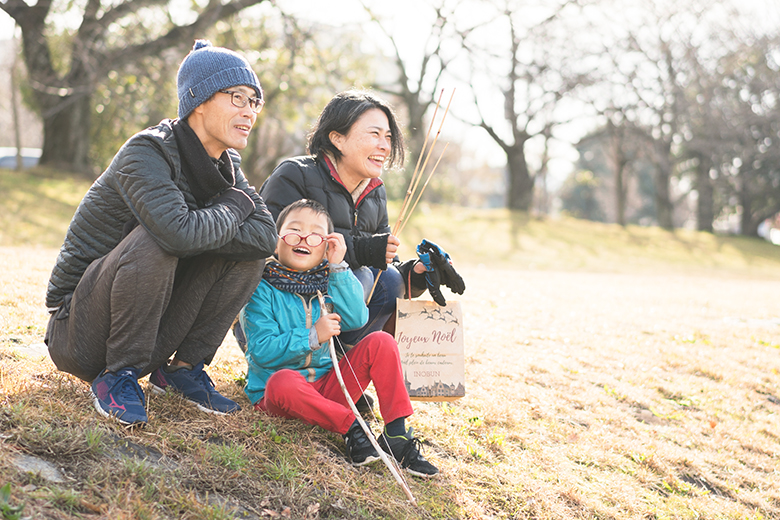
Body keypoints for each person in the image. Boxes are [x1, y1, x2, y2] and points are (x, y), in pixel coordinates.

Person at [43, 39, 278, 427]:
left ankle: (182, 370)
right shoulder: (147, 151)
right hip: (79, 332)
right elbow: (176, 235)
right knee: (158, 237)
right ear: (198, 99)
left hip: (153, 326)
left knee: (244, 252)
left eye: (255, 102)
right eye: (237, 97)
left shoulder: (228, 165)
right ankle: (116, 376)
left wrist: (200, 226)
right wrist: (234, 207)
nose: (249, 111)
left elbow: (265, 237)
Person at [239, 199, 439, 477]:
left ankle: (396, 434)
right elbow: (261, 351)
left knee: (381, 342)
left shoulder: (330, 281)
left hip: (328, 387)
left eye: (316, 235)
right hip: (281, 394)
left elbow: (357, 319)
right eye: (294, 231)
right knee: (281, 382)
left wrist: (339, 268)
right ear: (276, 242)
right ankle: (352, 426)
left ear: (326, 247)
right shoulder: (261, 289)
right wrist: (312, 336)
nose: (304, 240)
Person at [254, 90, 465, 349]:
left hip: (343, 308)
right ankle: (322, 365)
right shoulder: (295, 175)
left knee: (388, 280)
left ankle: (344, 368)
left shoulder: (375, 191)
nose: (385, 146)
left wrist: (418, 272)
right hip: (283, 315)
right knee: (366, 276)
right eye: (374, 134)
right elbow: (272, 246)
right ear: (337, 139)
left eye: (388, 137)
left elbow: (385, 270)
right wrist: (364, 251)